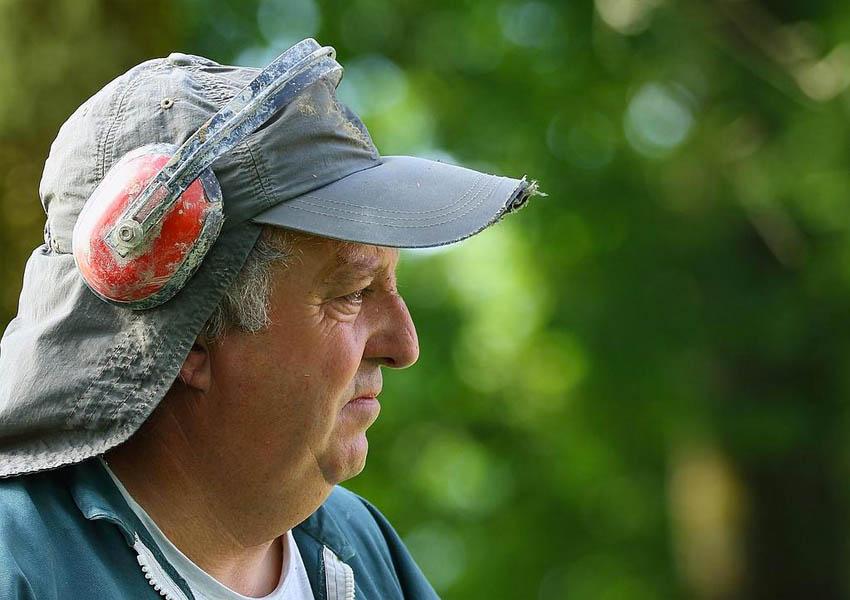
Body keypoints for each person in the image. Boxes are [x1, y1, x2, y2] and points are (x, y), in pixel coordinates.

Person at [0, 39, 538, 599]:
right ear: (189, 338)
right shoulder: (20, 564)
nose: (405, 345)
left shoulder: (358, 549)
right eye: (353, 293)